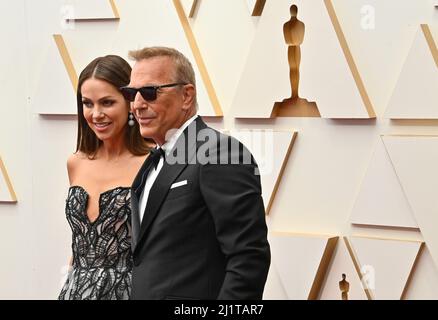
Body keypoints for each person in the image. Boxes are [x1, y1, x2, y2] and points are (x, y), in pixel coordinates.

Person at [121, 46, 271, 300]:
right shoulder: (154, 158)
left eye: (149, 92)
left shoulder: (220, 153)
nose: (137, 104)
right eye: (131, 93)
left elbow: (248, 256)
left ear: (187, 95)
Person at [58, 55, 153, 300]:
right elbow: (80, 244)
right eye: (87, 103)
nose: (96, 114)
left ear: (130, 102)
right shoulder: (76, 162)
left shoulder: (152, 164)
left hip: (129, 292)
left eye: (107, 102)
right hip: (76, 291)